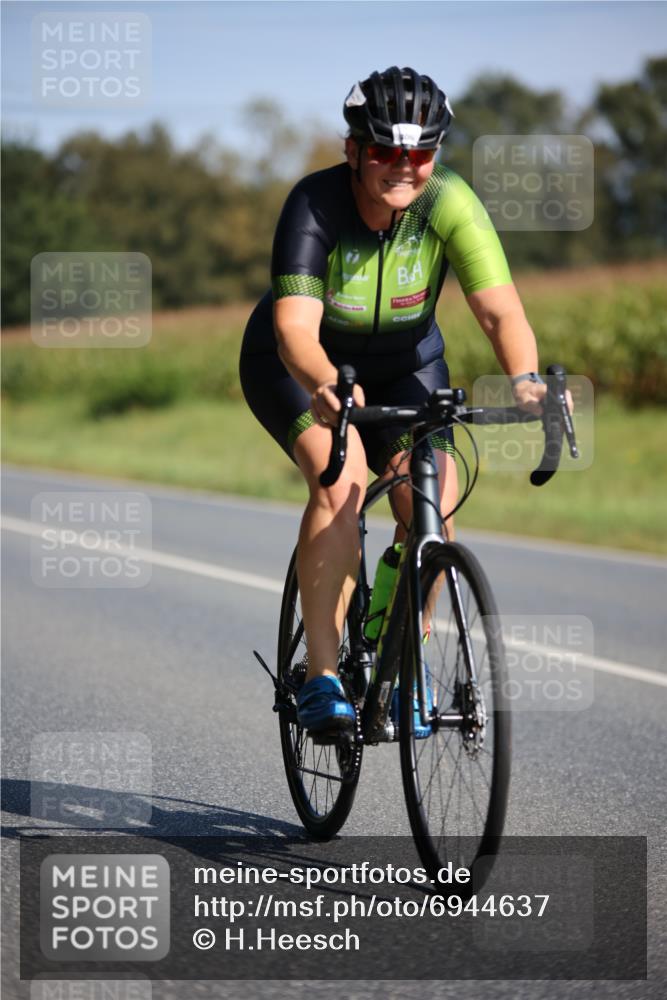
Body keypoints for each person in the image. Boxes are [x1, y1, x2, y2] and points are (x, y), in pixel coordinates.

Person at [240, 66, 547, 734]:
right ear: (352, 149)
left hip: (408, 364)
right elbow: (293, 327)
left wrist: (524, 378)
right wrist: (324, 382)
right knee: (340, 480)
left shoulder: (449, 203)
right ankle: (321, 679)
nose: (402, 167)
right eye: (384, 151)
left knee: (430, 492)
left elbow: (499, 313)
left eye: (420, 153)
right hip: (301, 364)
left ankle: (400, 662)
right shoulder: (314, 204)